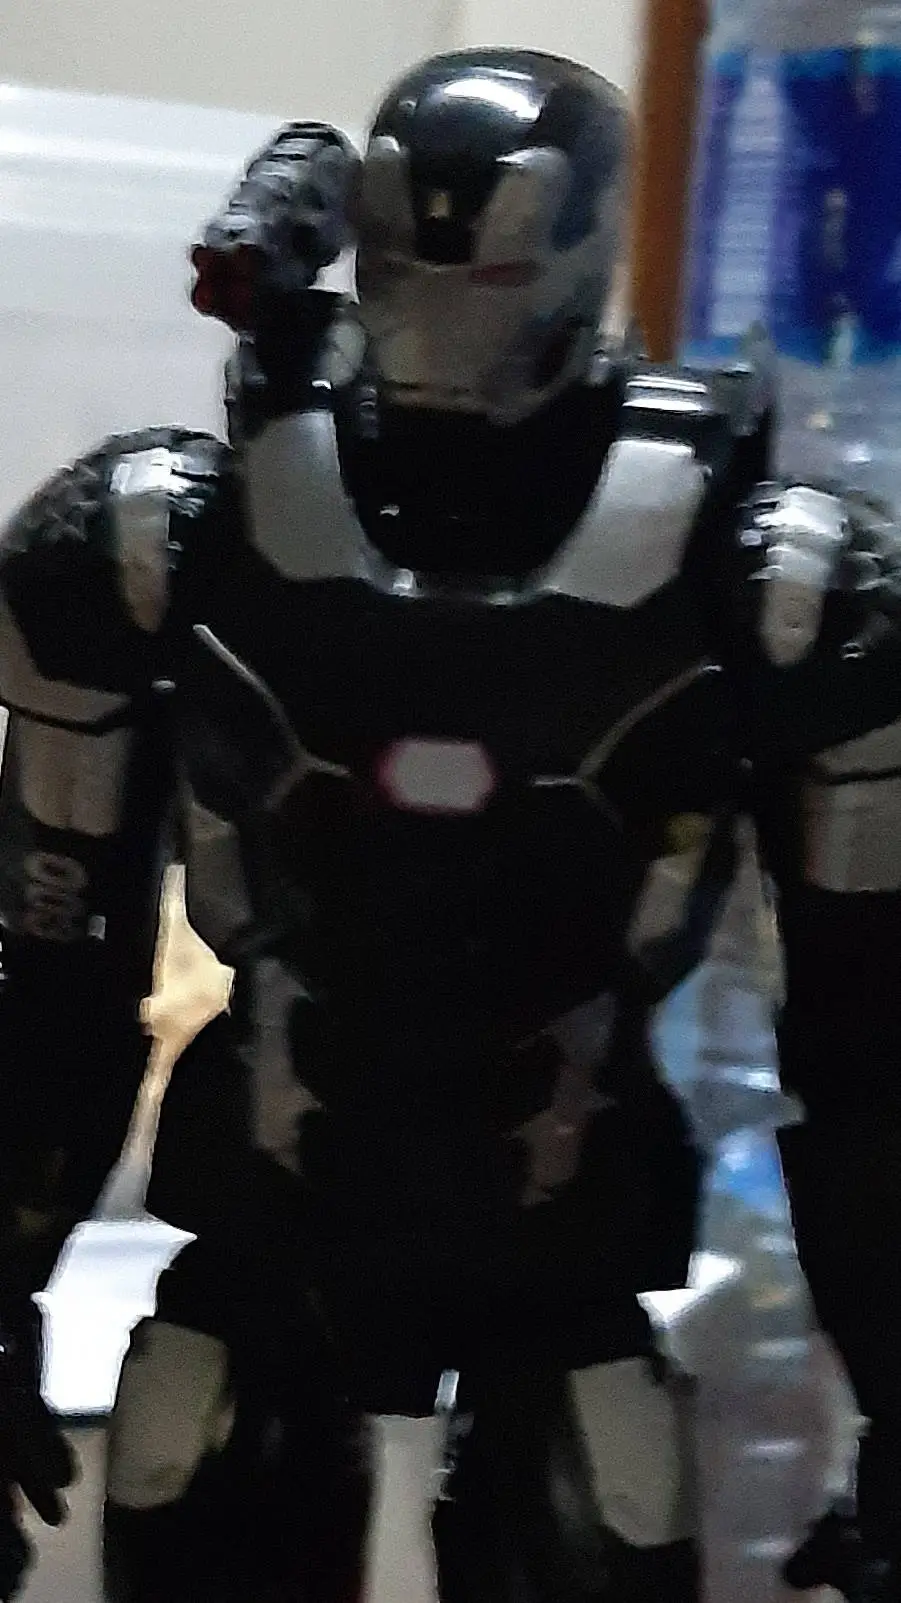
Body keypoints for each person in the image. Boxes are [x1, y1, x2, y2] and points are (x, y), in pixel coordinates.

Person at [1, 47, 900, 1603]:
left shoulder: (779, 586)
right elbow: (47, 972)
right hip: (274, 1215)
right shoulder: (157, 537)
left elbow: (872, 1039)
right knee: (195, 1462)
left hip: (564, 1228)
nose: (449, 321)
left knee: (602, 1502)